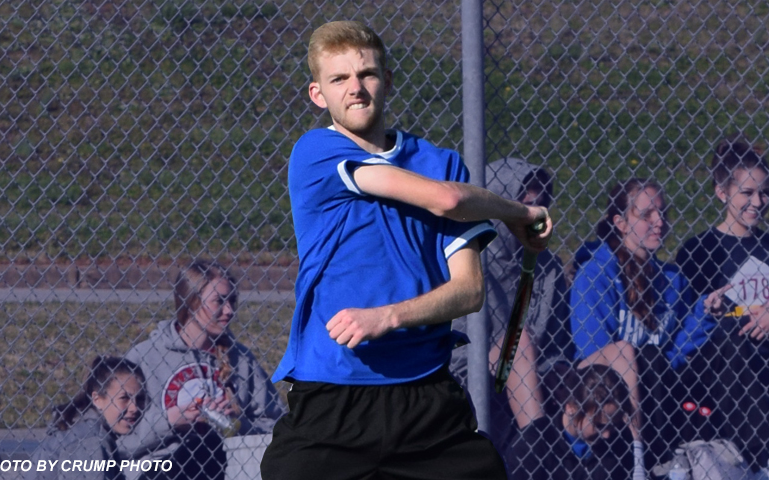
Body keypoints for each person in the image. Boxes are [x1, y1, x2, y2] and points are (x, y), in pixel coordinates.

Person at [260, 21, 552, 480]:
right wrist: (519, 212)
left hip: (426, 400)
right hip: (336, 394)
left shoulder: (441, 163)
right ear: (318, 94)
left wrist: (389, 316)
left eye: (367, 74)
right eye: (339, 79)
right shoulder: (316, 152)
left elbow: (469, 291)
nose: (355, 89)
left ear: (387, 80)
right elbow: (447, 200)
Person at [673, 136, 769, 479]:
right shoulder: (699, 249)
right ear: (722, 193)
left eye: (764, 193)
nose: (758, 202)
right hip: (718, 391)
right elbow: (680, 324)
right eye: (747, 193)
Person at [568, 178, 692, 476]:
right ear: (621, 223)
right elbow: (594, 356)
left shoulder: (673, 280)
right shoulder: (595, 276)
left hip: (659, 392)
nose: (659, 222)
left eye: (662, 213)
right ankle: (637, 457)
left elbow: (680, 348)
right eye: (646, 214)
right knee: (643, 355)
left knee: (655, 357)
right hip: (606, 399)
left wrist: (706, 313)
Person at [119, 261, 285, 480]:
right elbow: (119, 441)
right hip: (160, 469)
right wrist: (169, 421)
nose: (229, 310)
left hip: (227, 468)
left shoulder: (241, 359)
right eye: (219, 301)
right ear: (191, 302)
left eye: (232, 301)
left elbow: (278, 425)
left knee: (210, 446)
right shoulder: (145, 357)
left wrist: (237, 423)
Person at [450, 157, 571, 453]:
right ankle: (541, 453)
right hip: (469, 368)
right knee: (519, 343)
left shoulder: (549, 268)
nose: (534, 216)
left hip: (535, 367)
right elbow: (456, 347)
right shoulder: (466, 259)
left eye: (540, 206)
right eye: (524, 207)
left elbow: (557, 345)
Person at [27, 356, 146, 480]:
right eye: (124, 398)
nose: (135, 408)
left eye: (140, 398)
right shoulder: (89, 441)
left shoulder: (88, 428)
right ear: (97, 399)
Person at [509, 363, 634, 480]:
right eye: (599, 425)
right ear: (571, 407)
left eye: (613, 425)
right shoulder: (530, 446)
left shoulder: (620, 438)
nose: (607, 435)